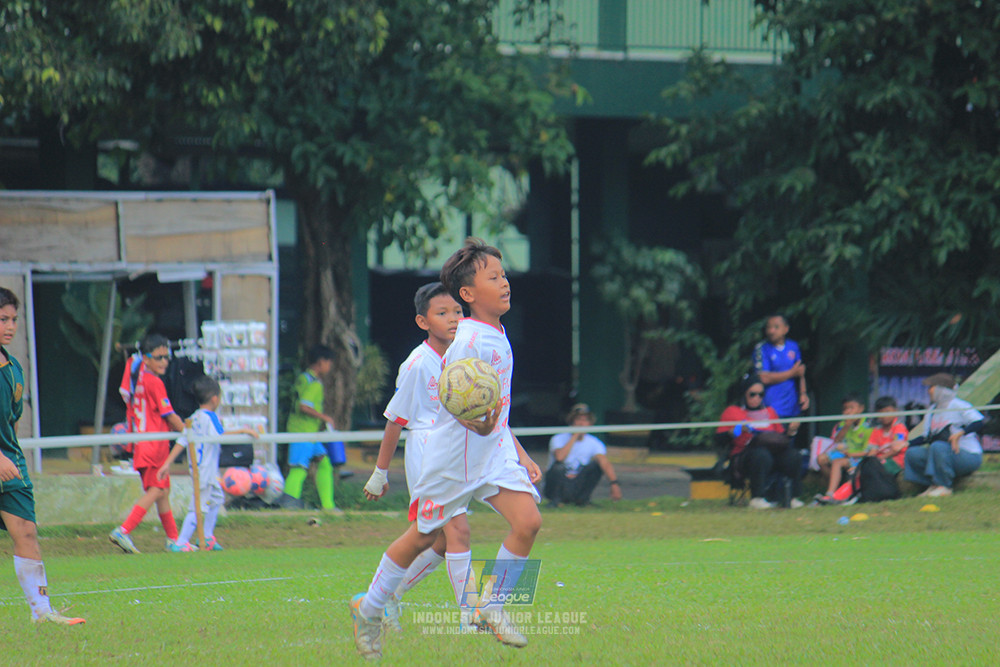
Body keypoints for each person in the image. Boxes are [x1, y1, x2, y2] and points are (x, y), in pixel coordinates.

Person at [350, 238, 542, 659]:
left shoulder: (495, 332)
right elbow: (453, 396)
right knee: (423, 538)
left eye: (504, 274)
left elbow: (497, 408)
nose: (505, 282)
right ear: (468, 294)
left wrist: (516, 450)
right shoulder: (469, 341)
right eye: (494, 277)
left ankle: (492, 607)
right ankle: (370, 607)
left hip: (491, 455)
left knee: (528, 522)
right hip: (453, 459)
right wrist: (471, 417)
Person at [362, 281, 465, 630]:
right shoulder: (418, 364)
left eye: (457, 311)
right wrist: (380, 473)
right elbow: (395, 420)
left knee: (438, 538)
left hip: (453, 452)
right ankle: (472, 614)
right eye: (442, 313)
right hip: (426, 451)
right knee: (452, 533)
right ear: (423, 322)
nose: (452, 319)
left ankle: (388, 594)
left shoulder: (462, 357)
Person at [0, 288, 85, 625]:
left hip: (11, 468)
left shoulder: (14, 368)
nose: (10, 326)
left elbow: (13, 420)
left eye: (14, 319)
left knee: (27, 532)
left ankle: (42, 613)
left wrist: (9, 456)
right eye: (3, 319)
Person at [159, 376, 259, 551]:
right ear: (215, 398)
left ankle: (207, 537)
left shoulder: (194, 418)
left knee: (217, 498)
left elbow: (182, 441)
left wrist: (167, 463)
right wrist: (243, 430)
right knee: (198, 503)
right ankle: (181, 542)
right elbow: (220, 436)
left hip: (199, 467)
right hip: (205, 470)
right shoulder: (210, 417)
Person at [109, 333, 188, 554]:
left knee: (163, 491)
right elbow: (168, 414)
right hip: (153, 445)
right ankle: (123, 530)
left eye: (166, 356)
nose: (164, 361)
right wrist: (188, 431)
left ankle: (173, 540)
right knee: (156, 490)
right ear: (146, 358)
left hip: (146, 444)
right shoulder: (154, 381)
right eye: (159, 357)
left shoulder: (140, 379)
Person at [716, 374, 804, 510]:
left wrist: (791, 431)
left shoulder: (770, 412)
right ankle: (757, 498)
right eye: (752, 394)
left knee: (794, 456)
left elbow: (780, 437)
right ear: (744, 394)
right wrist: (736, 430)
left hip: (773, 453)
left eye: (760, 394)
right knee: (761, 456)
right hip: (744, 456)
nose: (757, 398)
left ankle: (792, 497)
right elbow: (719, 439)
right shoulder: (732, 411)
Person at [279, 344, 340, 511]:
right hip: (302, 432)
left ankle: (328, 506)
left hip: (308, 433)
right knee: (299, 468)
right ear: (321, 362)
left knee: (324, 462)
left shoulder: (303, 378)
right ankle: (288, 507)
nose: (329, 367)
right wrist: (325, 417)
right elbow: (304, 406)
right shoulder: (314, 383)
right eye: (329, 363)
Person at [904, 373, 984, 498]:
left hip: (967, 455)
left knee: (938, 447)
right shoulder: (932, 411)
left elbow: (978, 422)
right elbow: (926, 437)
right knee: (913, 453)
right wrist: (906, 444)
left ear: (941, 390)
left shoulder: (958, 405)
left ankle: (944, 487)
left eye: (931, 387)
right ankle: (932, 485)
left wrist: (960, 434)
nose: (929, 391)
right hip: (943, 453)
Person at [543, 403, 622, 506]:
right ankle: (556, 501)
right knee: (558, 467)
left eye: (585, 420)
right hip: (559, 483)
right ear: (572, 421)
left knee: (596, 466)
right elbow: (560, 457)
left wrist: (614, 483)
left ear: (590, 423)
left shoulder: (595, 443)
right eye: (578, 419)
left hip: (577, 482)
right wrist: (575, 436)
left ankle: (582, 500)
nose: (581, 423)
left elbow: (603, 461)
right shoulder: (558, 438)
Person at [753, 314, 809, 437]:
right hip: (771, 406)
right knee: (773, 442)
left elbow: (800, 372)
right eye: (769, 327)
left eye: (776, 327)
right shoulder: (762, 349)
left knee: (789, 444)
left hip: (792, 405)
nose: (771, 331)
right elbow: (764, 377)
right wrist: (791, 373)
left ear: (786, 329)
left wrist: (803, 393)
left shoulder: (793, 346)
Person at [814, 394, 872, 502]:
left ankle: (830, 493)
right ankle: (836, 485)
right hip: (844, 453)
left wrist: (852, 454)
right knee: (821, 459)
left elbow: (869, 450)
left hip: (858, 455)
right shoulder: (841, 424)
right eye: (845, 409)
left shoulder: (868, 425)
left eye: (851, 408)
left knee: (837, 462)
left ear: (861, 409)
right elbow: (836, 441)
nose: (848, 411)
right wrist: (847, 426)